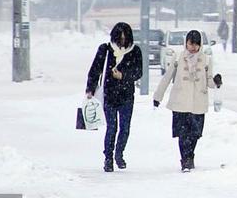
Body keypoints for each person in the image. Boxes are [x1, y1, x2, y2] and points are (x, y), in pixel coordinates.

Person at [153, 29, 223, 172]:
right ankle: (185, 160)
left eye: (196, 45)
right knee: (183, 133)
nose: (193, 47)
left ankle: (190, 155)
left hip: (198, 102)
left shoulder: (206, 59)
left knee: (195, 133)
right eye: (191, 44)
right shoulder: (178, 57)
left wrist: (216, 82)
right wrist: (157, 97)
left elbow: (209, 82)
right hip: (180, 102)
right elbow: (167, 77)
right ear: (186, 43)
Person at [85, 22, 143, 172]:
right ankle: (108, 158)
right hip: (109, 95)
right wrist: (90, 89)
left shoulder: (135, 51)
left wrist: (123, 76)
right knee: (111, 128)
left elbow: (139, 72)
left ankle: (119, 154)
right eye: (120, 38)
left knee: (125, 128)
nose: (122, 42)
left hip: (127, 96)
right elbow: (95, 70)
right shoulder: (105, 50)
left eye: (125, 38)